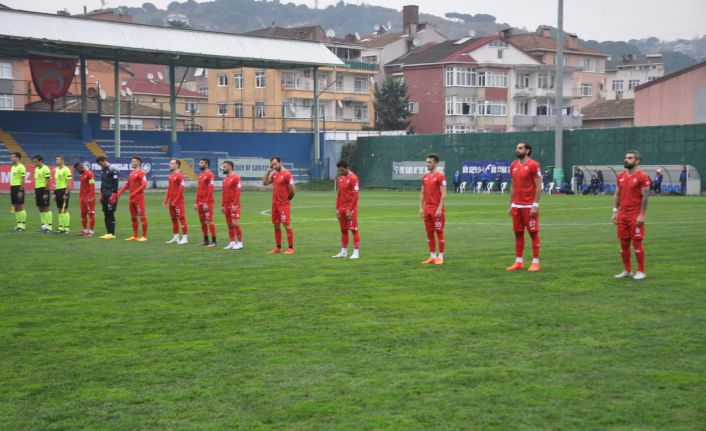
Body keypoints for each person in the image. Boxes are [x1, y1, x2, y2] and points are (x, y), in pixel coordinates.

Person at [612, 150, 651, 280]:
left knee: (637, 243)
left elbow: (645, 197)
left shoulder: (642, 176)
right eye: (625, 157)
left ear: (637, 161)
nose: (626, 160)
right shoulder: (621, 176)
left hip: (635, 215)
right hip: (622, 214)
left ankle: (641, 271)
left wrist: (642, 214)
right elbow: (617, 194)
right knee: (623, 244)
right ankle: (627, 270)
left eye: (629, 158)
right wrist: (615, 211)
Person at [506, 142, 542, 272]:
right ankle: (519, 261)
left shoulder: (534, 165)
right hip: (516, 205)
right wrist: (511, 204)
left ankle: (535, 262)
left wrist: (535, 205)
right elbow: (512, 186)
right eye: (516, 148)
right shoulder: (513, 165)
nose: (517, 150)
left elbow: (538, 186)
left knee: (533, 233)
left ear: (527, 151)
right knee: (518, 233)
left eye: (520, 148)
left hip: (528, 205)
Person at [263, 156, 295, 254]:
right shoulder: (274, 174)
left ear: (281, 162)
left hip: (283, 205)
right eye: (272, 164)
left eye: (275, 164)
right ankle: (278, 247)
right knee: (276, 225)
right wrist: (268, 171)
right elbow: (264, 183)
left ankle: (290, 248)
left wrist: (286, 200)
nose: (274, 166)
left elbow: (293, 190)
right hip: (275, 204)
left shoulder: (287, 174)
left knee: (287, 225)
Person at [419, 153, 447, 265]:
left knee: (439, 232)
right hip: (427, 209)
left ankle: (440, 257)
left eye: (430, 162)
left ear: (436, 163)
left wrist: (440, 208)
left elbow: (444, 194)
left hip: (436, 209)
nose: (428, 164)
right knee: (429, 233)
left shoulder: (441, 177)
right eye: (427, 162)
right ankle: (432, 257)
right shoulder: (425, 177)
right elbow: (422, 193)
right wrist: (421, 207)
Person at [116, 156, 148, 241]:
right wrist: (120, 192)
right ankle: (135, 235)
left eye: (134, 161)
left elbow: (144, 185)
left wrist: (134, 192)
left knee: (142, 217)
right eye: (132, 161)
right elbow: (128, 184)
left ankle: (144, 236)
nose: (132, 163)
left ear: (138, 163)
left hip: (139, 198)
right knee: (133, 217)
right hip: (131, 198)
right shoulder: (131, 173)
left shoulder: (141, 172)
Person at [332, 160, 360, 259]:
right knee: (343, 231)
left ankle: (356, 252)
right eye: (339, 170)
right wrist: (337, 209)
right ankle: (343, 252)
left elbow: (356, 196)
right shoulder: (340, 179)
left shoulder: (354, 178)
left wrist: (350, 210)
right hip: (342, 209)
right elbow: (339, 195)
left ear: (347, 167)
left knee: (353, 230)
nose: (340, 172)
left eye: (342, 170)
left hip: (350, 209)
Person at [164, 159, 188, 245]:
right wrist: (166, 199)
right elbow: (169, 189)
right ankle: (176, 237)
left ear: (177, 165)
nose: (169, 165)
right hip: (172, 201)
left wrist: (175, 200)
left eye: (171, 163)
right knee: (173, 219)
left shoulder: (180, 175)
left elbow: (182, 189)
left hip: (178, 201)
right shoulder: (170, 176)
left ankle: (185, 238)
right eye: (169, 163)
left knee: (181, 218)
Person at [221, 160, 243, 250]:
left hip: (234, 205)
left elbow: (238, 192)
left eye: (224, 167)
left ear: (230, 167)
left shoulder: (236, 178)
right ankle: (232, 242)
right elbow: (224, 192)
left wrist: (235, 204)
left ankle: (240, 243)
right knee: (229, 224)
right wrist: (222, 205)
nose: (223, 168)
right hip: (226, 205)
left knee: (235, 223)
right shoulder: (225, 179)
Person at [194, 158, 217, 247]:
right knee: (202, 222)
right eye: (199, 162)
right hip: (200, 202)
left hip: (208, 202)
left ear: (206, 165)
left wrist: (207, 203)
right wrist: (196, 202)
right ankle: (206, 240)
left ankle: (214, 241)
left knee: (209, 221)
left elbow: (211, 189)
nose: (199, 164)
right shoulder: (200, 175)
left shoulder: (210, 175)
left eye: (201, 163)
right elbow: (199, 189)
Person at [96, 156, 119, 240]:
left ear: (104, 161)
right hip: (104, 194)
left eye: (101, 164)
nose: (100, 166)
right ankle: (108, 232)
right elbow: (103, 182)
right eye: (99, 165)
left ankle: (112, 233)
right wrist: (101, 193)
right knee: (105, 214)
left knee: (110, 214)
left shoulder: (112, 168)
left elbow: (116, 183)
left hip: (110, 194)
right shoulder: (103, 170)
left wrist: (114, 194)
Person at [73, 162, 96, 237]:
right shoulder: (81, 174)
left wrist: (90, 197)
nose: (77, 171)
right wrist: (80, 197)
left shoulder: (90, 174)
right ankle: (85, 230)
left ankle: (91, 232)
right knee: (83, 214)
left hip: (89, 198)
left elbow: (92, 186)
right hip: (82, 198)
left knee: (90, 214)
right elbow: (82, 186)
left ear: (81, 167)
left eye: (77, 169)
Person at [53, 155, 73, 234]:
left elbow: (69, 183)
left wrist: (66, 193)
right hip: (58, 191)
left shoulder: (66, 169)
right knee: (59, 209)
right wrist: (54, 193)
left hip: (64, 191)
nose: (57, 161)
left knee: (65, 209)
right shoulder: (56, 170)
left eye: (58, 159)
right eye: (56, 159)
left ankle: (66, 228)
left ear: (62, 160)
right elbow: (56, 183)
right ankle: (61, 227)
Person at [32, 155, 52, 233]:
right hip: (38, 190)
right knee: (40, 208)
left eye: (36, 162)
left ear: (40, 161)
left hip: (44, 190)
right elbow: (36, 181)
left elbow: (48, 181)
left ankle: (49, 227)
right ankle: (43, 226)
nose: (35, 163)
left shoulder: (46, 168)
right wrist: (34, 191)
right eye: (34, 162)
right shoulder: (36, 169)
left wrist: (46, 192)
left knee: (46, 207)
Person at [9, 152, 27, 232]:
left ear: (17, 158)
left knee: (20, 206)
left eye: (13, 157)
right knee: (16, 206)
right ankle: (18, 225)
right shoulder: (13, 167)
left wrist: (20, 190)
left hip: (18, 188)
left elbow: (23, 179)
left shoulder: (21, 167)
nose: (11, 158)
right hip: (13, 187)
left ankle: (22, 226)